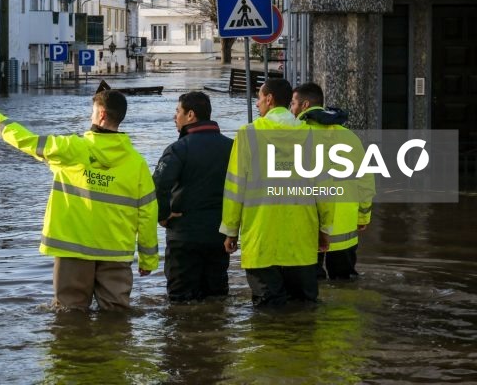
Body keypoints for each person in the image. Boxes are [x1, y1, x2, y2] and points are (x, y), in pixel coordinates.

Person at [0, 90, 158, 310]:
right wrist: (148, 260)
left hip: (74, 251)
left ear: (101, 114)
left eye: (92, 112)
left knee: (70, 316)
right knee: (116, 315)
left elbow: (30, 142)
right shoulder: (137, 163)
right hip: (116, 253)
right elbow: (148, 213)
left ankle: (72, 345)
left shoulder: (72, 148)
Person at [221, 78, 333, 307]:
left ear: (269, 99)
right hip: (301, 241)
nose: (258, 103)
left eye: (259, 98)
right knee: (304, 310)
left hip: (261, 241)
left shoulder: (247, 135)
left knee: (268, 314)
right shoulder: (311, 136)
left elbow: (234, 188)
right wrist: (324, 229)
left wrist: (230, 231)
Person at [152, 91, 233, 302]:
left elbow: (158, 185)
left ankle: (189, 334)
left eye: (178, 111)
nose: (174, 116)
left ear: (191, 115)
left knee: (180, 302)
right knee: (216, 297)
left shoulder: (178, 149)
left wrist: (163, 215)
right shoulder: (232, 147)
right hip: (220, 235)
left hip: (184, 236)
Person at [290, 82, 375, 280]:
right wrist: (363, 217)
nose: (291, 109)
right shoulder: (349, 137)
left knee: (311, 286)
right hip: (345, 228)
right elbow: (365, 180)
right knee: (345, 286)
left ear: (305, 105)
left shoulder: (296, 136)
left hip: (309, 227)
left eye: (293, 103)